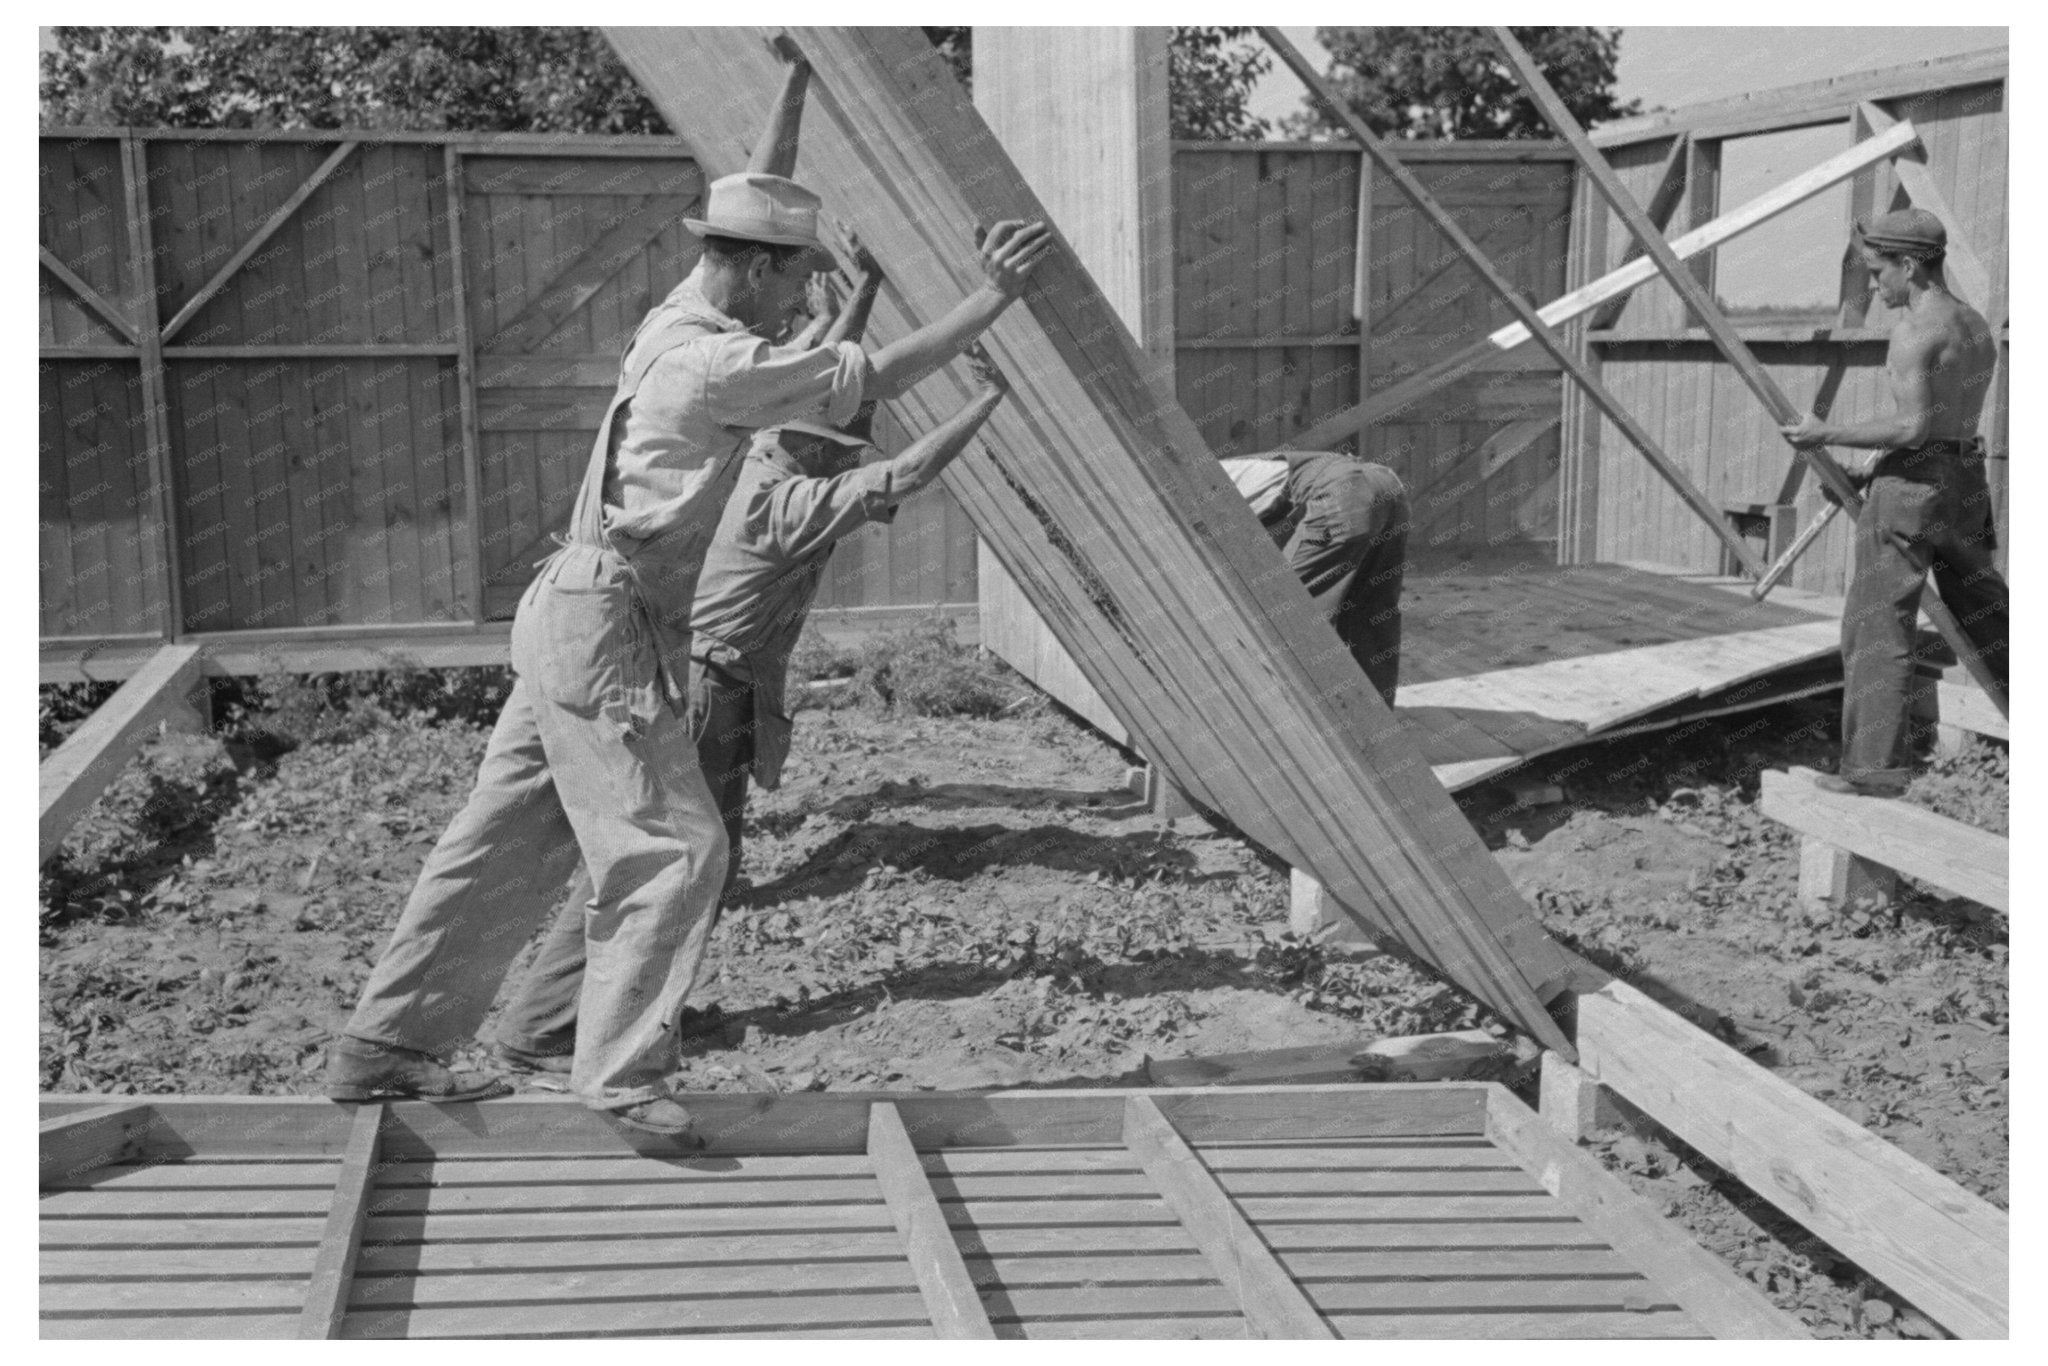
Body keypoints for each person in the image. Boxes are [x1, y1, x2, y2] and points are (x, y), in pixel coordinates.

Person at [322, 53, 1053, 1135]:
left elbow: (750, 197)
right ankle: (616, 1075)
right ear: (753, 275)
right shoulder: (718, 369)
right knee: (678, 844)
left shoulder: (679, 316)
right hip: (606, 617)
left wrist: (795, 90)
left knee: (506, 838)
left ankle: (386, 1045)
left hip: (569, 605)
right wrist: (996, 293)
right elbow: (879, 373)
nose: (806, 298)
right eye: (796, 278)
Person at [492, 351, 1011, 1074]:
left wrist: (859, 300)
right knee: (664, 865)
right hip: (710, 692)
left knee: (693, 864)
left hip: (707, 682)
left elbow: (840, 390)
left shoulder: (756, 471)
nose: (843, 467)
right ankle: (544, 1025)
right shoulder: (781, 501)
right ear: (803, 446)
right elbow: (902, 478)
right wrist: (990, 401)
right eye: (836, 454)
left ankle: (635, 1009)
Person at [1779, 206, 2007, 798]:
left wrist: (1822, 433)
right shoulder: (1976, 325)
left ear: (1910, 265)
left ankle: (1873, 773)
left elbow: (1910, 429)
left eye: (1880, 272)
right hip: (1965, 481)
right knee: (1992, 619)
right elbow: (1942, 424)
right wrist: (1869, 463)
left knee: (1877, 629)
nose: (1874, 285)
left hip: (1911, 492)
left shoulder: (1914, 331)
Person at [1221, 451, 1410, 708]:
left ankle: (1287, 716)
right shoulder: (1238, 470)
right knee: (1370, 615)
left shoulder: (1186, 484)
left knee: (1281, 616)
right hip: (1386, 486)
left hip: (1341, 493)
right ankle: (1376, 720)